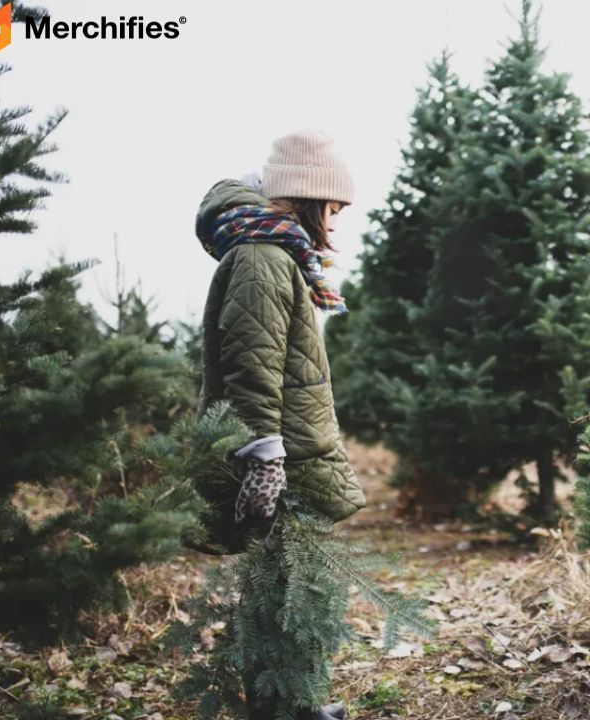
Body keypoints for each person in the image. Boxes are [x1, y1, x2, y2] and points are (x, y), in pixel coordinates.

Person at [195, 130, 365, 720]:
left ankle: (292, 704)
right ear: (303, 198)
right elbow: (251, 364)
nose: (336, 223)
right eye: (334, 209)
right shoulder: (263, 258)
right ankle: (282, 710)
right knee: (281, 589)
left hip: (292, 449)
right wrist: (265, 459)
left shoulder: (273, 253)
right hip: (281, 456)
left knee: (294, 589)